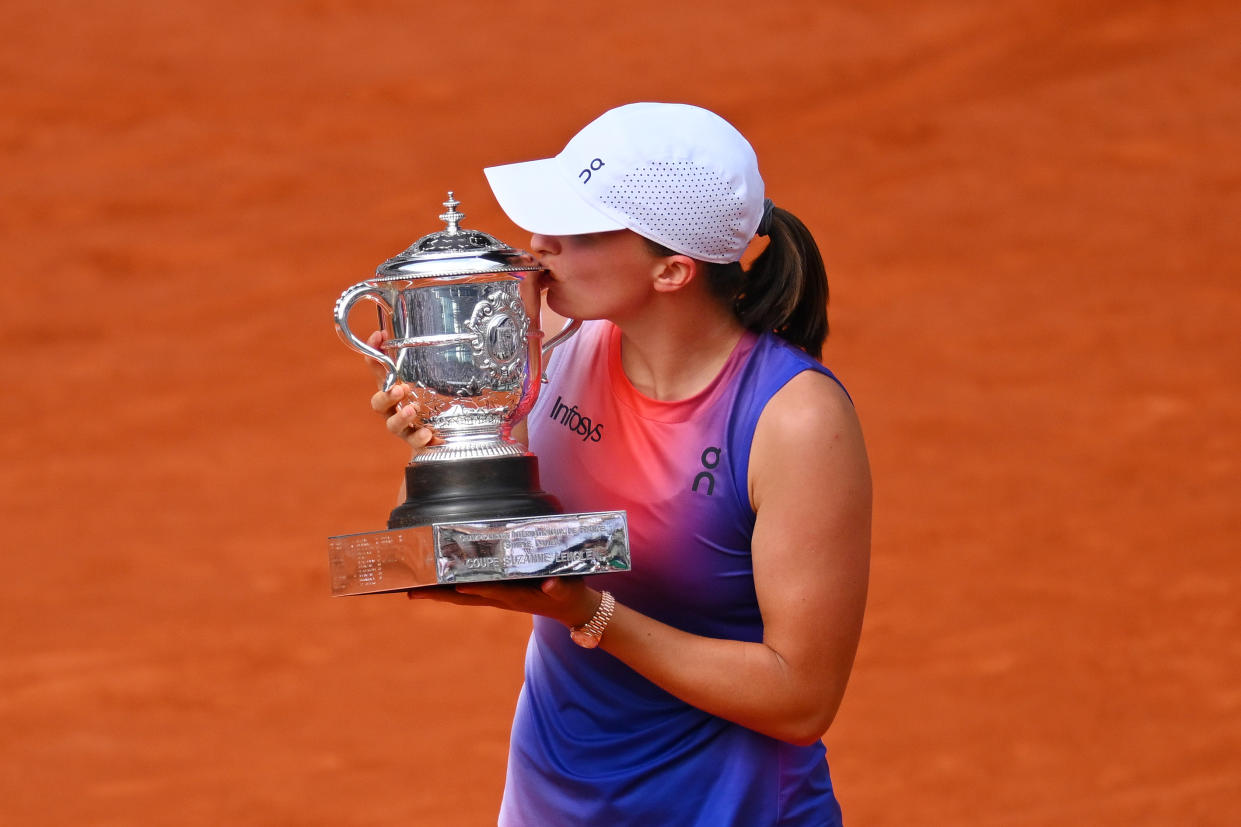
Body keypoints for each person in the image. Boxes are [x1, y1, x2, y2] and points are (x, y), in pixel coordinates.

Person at [369, 102, 871, 825]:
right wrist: (444, 445)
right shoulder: (550, 338)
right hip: (552, 800)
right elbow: (468, 542)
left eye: (574, 233)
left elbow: (800, 699)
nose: (537, 245)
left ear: (671, 269)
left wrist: (588, 611)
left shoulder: (793, 420)